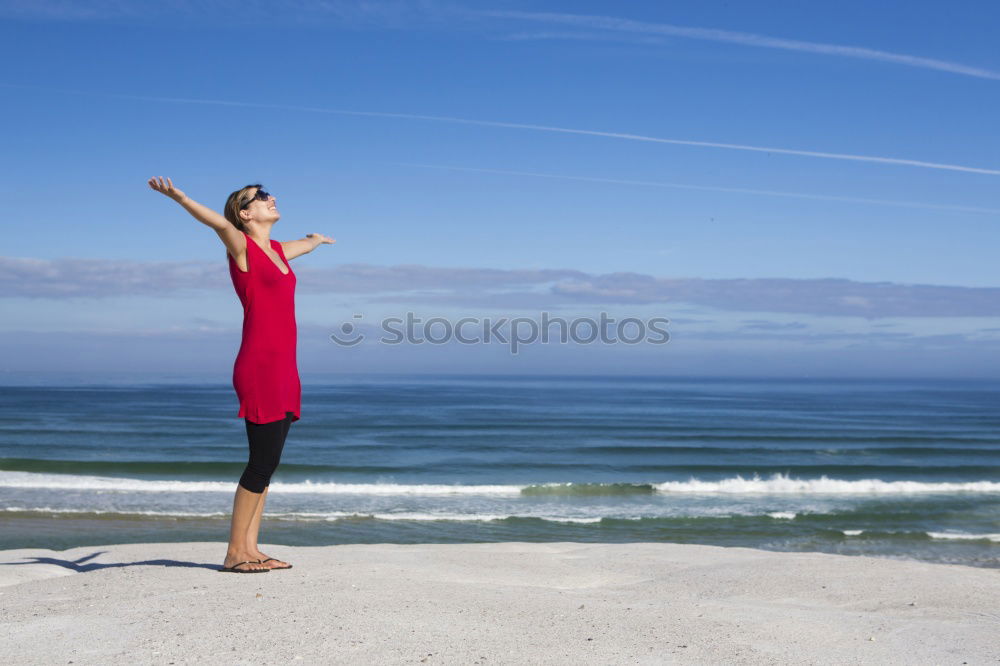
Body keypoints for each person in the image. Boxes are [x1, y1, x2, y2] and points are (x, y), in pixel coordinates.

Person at [148, 177, 335, 573]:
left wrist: (316, 240)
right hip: (260, 366)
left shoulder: (280, 252)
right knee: (260, 461)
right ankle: (235, 552)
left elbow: (301, 246)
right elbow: (218, 224)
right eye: (260, 198)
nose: (270, 199)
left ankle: (252, 547)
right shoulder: (242, 247)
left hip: (286, 367)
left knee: (270, 463)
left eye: (268, 194)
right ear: (246, 213)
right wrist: (180, 197)